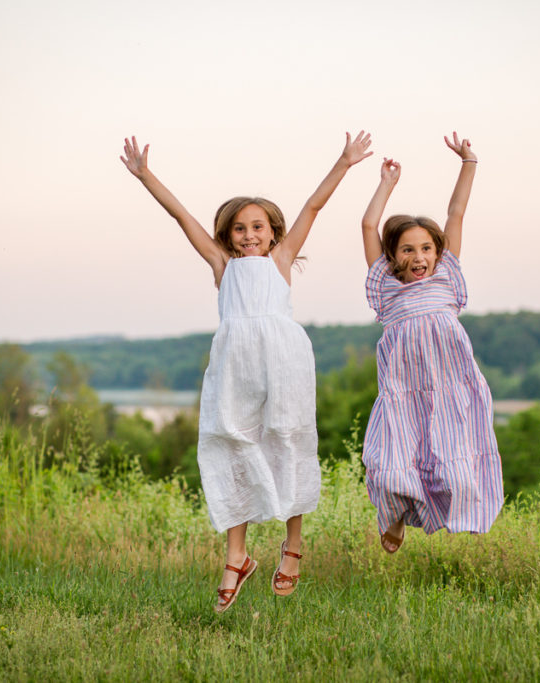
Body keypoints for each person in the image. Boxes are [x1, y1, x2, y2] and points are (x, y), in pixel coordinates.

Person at [121, 131, 372, 611]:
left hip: (285, 362)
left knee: (290, 440)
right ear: (227, 236)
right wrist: (145, 175)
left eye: (258, 226)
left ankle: (292, 547)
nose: (249, 234)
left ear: (274, 232)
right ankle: (236, 557)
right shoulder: (222, 265)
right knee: (230, 442)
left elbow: (314, 208)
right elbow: (182, 217)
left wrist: (344, 161)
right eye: (239, 228)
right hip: (235, 367)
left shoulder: (279, 260)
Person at [359, 132, 504, 553]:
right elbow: (369, 224)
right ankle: (396, 516)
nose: (418, 257)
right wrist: (387, 184)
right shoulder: (385, 286)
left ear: (437, 253)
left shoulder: (445, 276)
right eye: (407, 250)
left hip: (451, 390)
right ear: (392, 255)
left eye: (425, 248)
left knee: (454, 466)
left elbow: (455, 213)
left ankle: (461, 514)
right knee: (387, 465)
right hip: (403, 394)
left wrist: (468, 163)